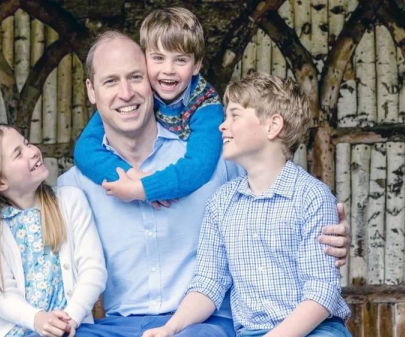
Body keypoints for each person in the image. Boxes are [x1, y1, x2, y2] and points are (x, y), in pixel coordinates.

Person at [57, 31, 351, 337]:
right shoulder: (74, 187)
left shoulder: (215, 161)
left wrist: (329, 235)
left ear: (153, 82)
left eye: (135, 77)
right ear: (91, 90)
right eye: (110, 82)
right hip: (119, 324)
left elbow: (277, 190)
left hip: (206, 323)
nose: (126, 92)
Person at [143, 73, 351, 337]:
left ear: (272, 125)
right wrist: (171, 327)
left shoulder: (311, 197)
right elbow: (209, 283)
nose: (222, 125)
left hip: (317, 329)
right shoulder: (221, 202)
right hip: (252, 331)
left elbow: (322, 291)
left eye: (234, 116)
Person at [0, 124, 107, 337]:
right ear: (0, 181)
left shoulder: (71, 201)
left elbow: (93, 269)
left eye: (26, 143)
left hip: (70, 329)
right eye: (19, 153)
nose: (33, 151)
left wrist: (71, 317)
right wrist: (37, 319)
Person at [73, 7, 223, 205]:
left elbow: (199, 166)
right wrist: (130, 176)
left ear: (196, 66)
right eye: (158, 58)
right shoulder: (141, 91)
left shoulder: (207, 105)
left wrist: (146, 188)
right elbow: (85, 150)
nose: (168, 70)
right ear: (144, 59)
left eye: (180, 60)